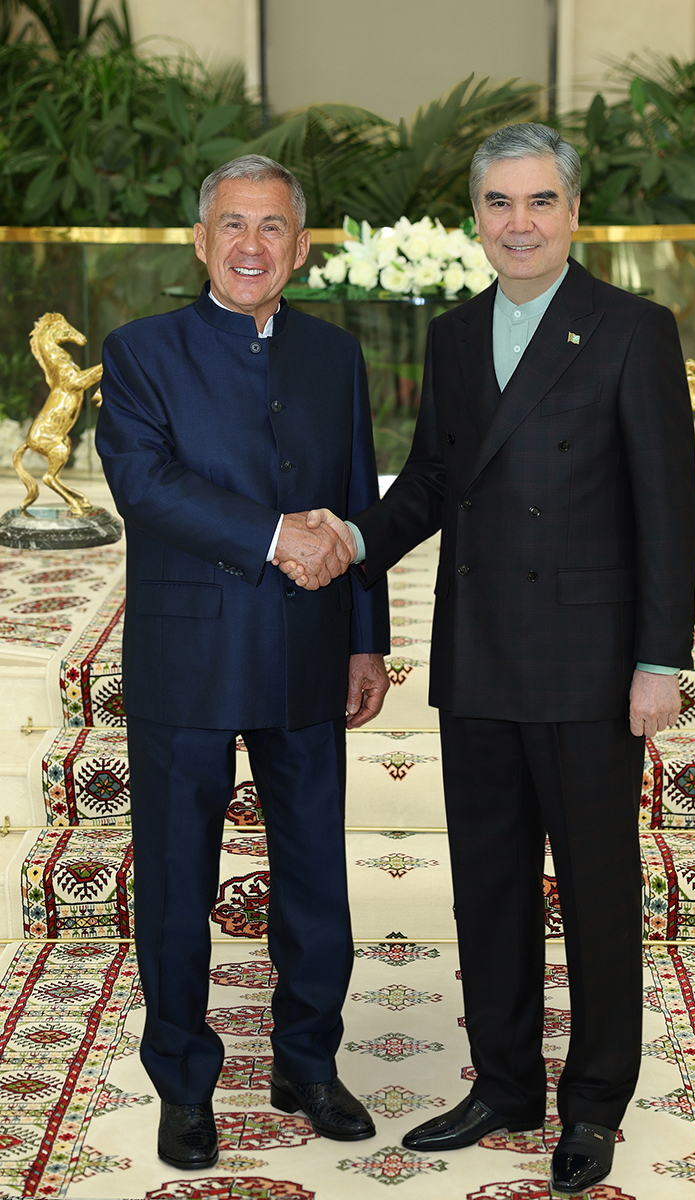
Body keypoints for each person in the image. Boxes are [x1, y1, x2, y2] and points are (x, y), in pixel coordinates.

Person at [279, 123, 695, 1195]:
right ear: (475, 217)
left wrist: (658, 659)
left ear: (572, 212)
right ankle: (505, 1083)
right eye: (499, 204)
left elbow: (666, 511)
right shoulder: (458, 336)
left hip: (589, 661)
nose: (518, 223)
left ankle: (593, 1101)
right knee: (491, 886)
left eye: (538, 202)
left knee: (598, 895)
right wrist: (357, 538)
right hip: (476, 657)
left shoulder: (630, 329)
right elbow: (430, 480)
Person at [95, 155, 390, 1171]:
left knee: (314, 873)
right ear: (199, 239)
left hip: (309, 648)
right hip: (186, 656)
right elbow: (146, 485)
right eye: (232, 225)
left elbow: (354, 498)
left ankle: (306, 1060)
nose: (252, 246)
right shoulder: (139, 352)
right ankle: (183, 1081)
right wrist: (273, 534)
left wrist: (366, 638)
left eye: (273, 228)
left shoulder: (333, 355)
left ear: (301, 247)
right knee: (178, 880)